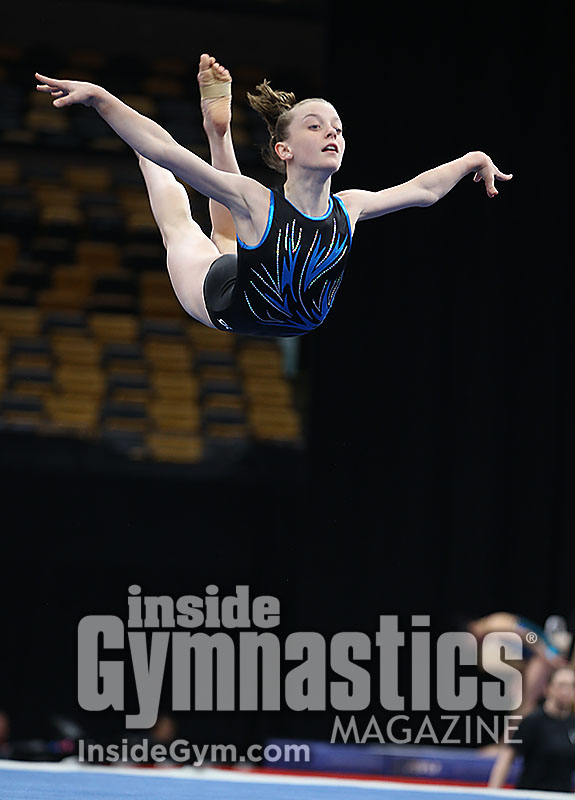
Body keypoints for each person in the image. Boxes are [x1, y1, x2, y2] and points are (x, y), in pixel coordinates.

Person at [34, 55, 512, 337]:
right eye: (316, 125)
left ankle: (217, 130)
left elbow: (423, 190)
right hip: (218, 296)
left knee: (230, 228)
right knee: (180, 215)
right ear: (284, 150)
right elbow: (166, 147)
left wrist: (472, 158)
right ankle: (205, 135)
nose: (333, 133)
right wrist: (100, 97)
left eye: (338, 128)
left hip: (251, 272)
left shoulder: (350, 207)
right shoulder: (259, 200)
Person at [467, 611, 570, 719]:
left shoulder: (493, 622)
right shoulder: (483, 652)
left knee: (526, 705)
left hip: (543, 650)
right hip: (533, 660)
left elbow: (527, 634)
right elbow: (518, 664)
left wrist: (546, 654)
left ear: (472, 627)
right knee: (518, 704)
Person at [488, 666, 575, 792]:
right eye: (561, 685)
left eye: (571, 686)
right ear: (548, 688)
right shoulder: (533, 721)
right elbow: (507, 757)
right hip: (531, 795)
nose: (566, 691)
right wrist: (492, 794)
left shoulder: (572, 724)